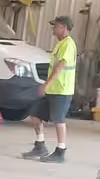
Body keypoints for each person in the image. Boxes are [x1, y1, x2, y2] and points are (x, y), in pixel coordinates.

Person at [21, 15, 78, 163]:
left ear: (64, 27)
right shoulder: (60, 44)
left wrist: (46, 84)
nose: (53, 29)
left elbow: (60, 67)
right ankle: (40, 145)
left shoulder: (68, 44)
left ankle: (60, 152)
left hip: (62, 90)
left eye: (56, 26)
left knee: (58, 120)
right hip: (53, 90)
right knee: (35, 113)